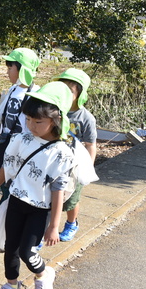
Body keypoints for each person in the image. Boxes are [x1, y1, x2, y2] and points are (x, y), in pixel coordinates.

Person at [0, 82, 75, 289]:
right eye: (27, 119)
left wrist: (54, 226)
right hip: (16, 201)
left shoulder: (62, 152)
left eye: (38, 122)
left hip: (40, 209)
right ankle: (11, 285)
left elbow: (58, 191)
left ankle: (43, 275)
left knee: (28, 252)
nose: (31, 126)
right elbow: (7, 167)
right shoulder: (21, 139)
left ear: (56, 120)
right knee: (11, 248)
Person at [0, 48, 41, 203]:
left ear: (22, 70)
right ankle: (4, 206)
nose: (7, 72)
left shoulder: (36, 94)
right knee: (2, 174)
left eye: (10, 68)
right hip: (5, 141)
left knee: (16, 178)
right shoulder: (13, 89)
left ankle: (8, 207)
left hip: (22, 146)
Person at [54, 68, 97, 242]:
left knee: (71, 199)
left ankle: (72, 223)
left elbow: (91, 144)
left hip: (75, 166)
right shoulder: (55, 110)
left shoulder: (86, 118)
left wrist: (87, 168)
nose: (65, 94)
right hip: (56, 162)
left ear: (80, 94)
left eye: (70, 91)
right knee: (53, 196)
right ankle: (48, 227)